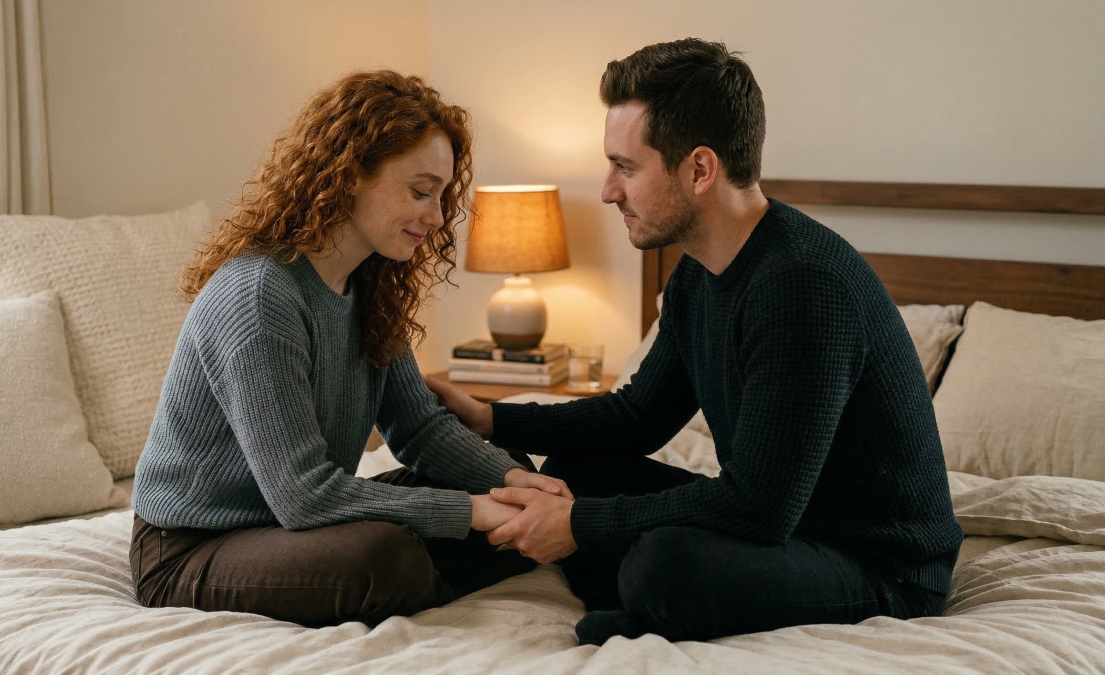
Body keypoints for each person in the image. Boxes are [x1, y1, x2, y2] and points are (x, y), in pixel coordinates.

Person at [426, 39, 963, 646]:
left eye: (625, 167)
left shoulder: (804, 285)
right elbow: (634, 418)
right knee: (581, 471)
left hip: (876, 564)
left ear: (700, 170)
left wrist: (585, 524)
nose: (608, 191)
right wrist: (489, 419)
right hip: (784, 528)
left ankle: (640, 599)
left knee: (665, 564)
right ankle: (637, 594)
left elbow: (759, 507)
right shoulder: (697, 273)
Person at [129, 70, 570, 628]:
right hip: (193, 545)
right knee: (383, 557)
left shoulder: (370, 287)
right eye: (420, 191)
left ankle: (428, 570)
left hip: (294, 524)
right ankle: (421, 574)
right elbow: (304, 498)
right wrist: (473, 513)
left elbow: (421, 431)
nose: (436, 219)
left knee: (501, 468)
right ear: (352, 172)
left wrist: (509, 485)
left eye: (441, 196)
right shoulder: (260, 294)